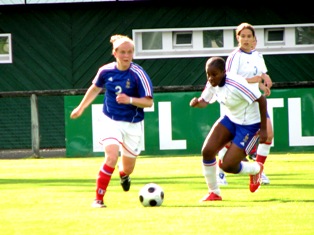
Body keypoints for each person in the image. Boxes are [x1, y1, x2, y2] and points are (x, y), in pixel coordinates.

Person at [70, 34, 154, 208]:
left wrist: (129, 100)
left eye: (130, 52)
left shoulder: (139, 74)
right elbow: (94, 89)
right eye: (122, 52)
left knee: (128, 167)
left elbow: (149, 102)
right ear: (114, 53)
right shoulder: (105, 71)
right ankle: (98, 200)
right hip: (110, 120)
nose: (126, 56)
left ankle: (124, 174)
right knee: (111, 157)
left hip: (132, 124)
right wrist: (81, 108)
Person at [190, 56, 267, 201]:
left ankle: (256, 169)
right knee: (207, 151)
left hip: (249, 125)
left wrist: (263, 129)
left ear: (223, 72)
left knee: (228, 166)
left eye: (214, 74)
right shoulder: (212, 83)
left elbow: (261, 100)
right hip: (231, 119)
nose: (211, 78)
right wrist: (196, 103)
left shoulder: (236, 84)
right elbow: (204, 101)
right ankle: (214, 193)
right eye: (208, 74)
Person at [217, 23, 274, 186]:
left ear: (254, 39)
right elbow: (227, 81)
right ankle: (219, 172)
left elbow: (260, 74)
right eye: (243, 36)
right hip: (238, 103)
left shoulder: (257, 55)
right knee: (228, 140)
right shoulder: (234, 57)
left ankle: (259, 171)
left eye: (249, 36)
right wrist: (253, 80)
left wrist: (263, 82)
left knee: (268, 134)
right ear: (238, 38)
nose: (246, 39)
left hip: (255, 100)